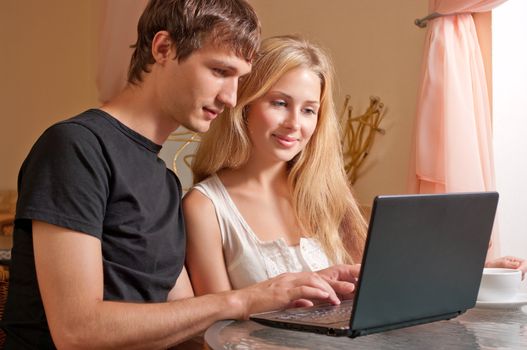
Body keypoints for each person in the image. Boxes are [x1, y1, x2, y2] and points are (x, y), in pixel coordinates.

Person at [0, 2, 361, 349]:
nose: (232, 98)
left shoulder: (165, 182)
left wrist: (307, 293)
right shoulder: (77, 148)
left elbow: (189, 327)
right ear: (163, 48)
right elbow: (77, 332)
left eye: (240, 79)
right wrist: (243, 300)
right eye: (220, 72)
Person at [184, 35, 368, 295]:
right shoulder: (205, 207)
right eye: (280, 103)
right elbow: (213, 325)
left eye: (308, 110)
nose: (294, 124)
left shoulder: (329, 196)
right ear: (245, 106)